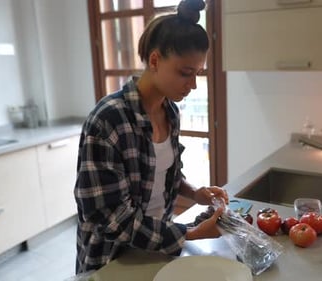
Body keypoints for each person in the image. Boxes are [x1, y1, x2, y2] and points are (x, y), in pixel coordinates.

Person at [74, 0, 228, 274]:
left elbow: (163, 175)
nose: (192, 85)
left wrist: (195, 193)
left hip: (156, 250)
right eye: (185, 73)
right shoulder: (108, 120)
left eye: (198, 74)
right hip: (112, 260)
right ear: (155, 60)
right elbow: (111, 220)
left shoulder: (169, 111)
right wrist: (190, 233)